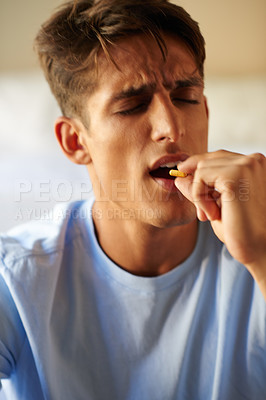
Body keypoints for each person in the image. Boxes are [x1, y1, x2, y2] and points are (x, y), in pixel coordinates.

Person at [0, 0, 265, 399]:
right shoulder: (17, 279)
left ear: (206, 112)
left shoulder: (258, 248)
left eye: (187, 98)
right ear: (75, 141)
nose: (171, 127)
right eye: (132, 105)